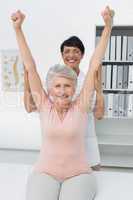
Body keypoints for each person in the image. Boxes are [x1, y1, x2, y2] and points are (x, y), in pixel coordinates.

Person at [11, 6, 114, 200]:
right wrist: (18, 29)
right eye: (57, 86)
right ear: (49, 89)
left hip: (78, 174)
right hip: (45, 173)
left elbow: (94, 65)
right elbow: (30, 67)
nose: (62, 91)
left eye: (67, 86)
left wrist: (108, 27)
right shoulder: (44, 105)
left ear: (74, 89)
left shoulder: (81, 106)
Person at [24, 34, 104, 171]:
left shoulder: (89, 81)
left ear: (82, 55)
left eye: (76, 51)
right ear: (62, 55)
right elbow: (30, 107)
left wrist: (99, 90)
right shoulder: (55, 80)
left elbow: (99, 114)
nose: (71, 55)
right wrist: (27, 78)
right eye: (67, 51)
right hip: (58, 152)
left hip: (86, 147)